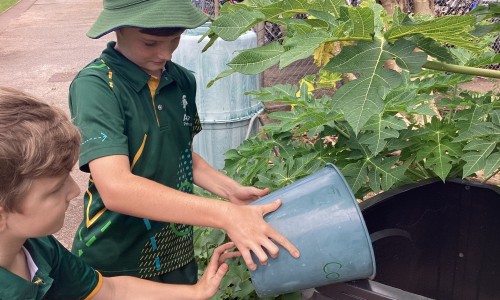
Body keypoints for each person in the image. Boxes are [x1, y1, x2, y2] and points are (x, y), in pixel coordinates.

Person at [69, 0, 299, 284]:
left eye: (174, 39)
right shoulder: (97, 87)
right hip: (117, 258)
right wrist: (225, 215)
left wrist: (230, 191)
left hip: (176, 252)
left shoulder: (181, 80)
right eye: (150, 42)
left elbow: (180, 154)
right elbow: (116, 188)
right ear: (118, 29)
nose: (165, 53)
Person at [0, 86, 240, 300]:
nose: (74, 191)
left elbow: (112, 291)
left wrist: (197, 292)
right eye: (54, 190)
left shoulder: (38, 247)